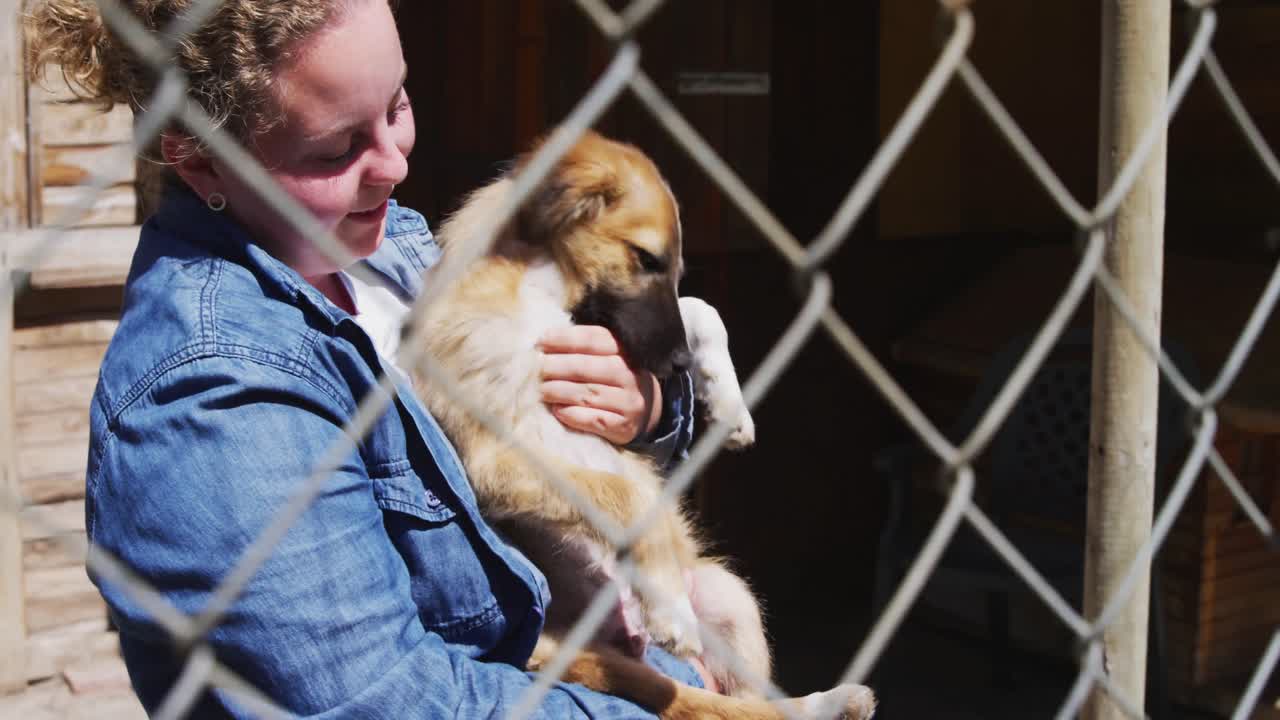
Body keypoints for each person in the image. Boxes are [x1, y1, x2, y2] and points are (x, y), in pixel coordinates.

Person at [25, 0, 714, 716]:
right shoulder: (214, 396)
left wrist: (648, 410)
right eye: (336, 149)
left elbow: (575, 429)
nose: (394, 162)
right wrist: (684, 696)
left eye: (398, 103)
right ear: (198, 156)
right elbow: (399, 701)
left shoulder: (395, 249)